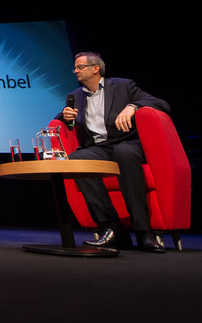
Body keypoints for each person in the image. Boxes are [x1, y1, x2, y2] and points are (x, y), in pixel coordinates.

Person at [56, 52, 170, 253]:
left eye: (80, 67)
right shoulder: (75, 96)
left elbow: (161, 103)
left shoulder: (123, 86)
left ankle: (144, 232)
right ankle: (112, 227)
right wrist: (64, 116)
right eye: (75, 67)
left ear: (95, 68)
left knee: (124, 153)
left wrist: (133, 106)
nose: (75, 71)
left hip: (127, 143)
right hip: (99, 148)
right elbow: (66, 118)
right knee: (76, 160)